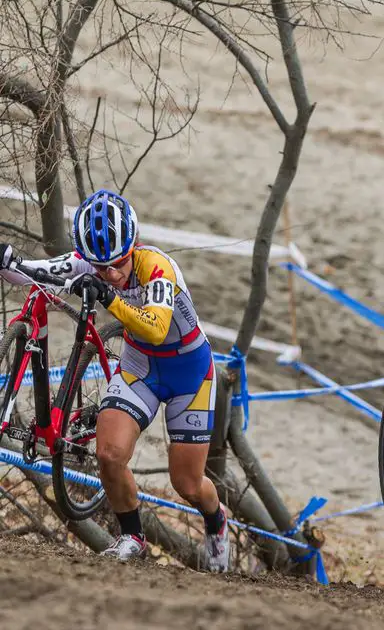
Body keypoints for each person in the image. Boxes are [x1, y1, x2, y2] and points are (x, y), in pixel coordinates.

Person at [0, 189, 230, 572]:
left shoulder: (158, 268)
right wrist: (7, 260)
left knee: (187, 485)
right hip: (140, 367)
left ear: (133, 248)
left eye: (117, 264)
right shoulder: (90, 264)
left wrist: (108, 296)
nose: (110, 273)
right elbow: (34, 272)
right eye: (100, 267)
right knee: (108, 454)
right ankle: (132, 537)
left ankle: (216, 519)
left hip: (189, 374)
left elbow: (156, 328)